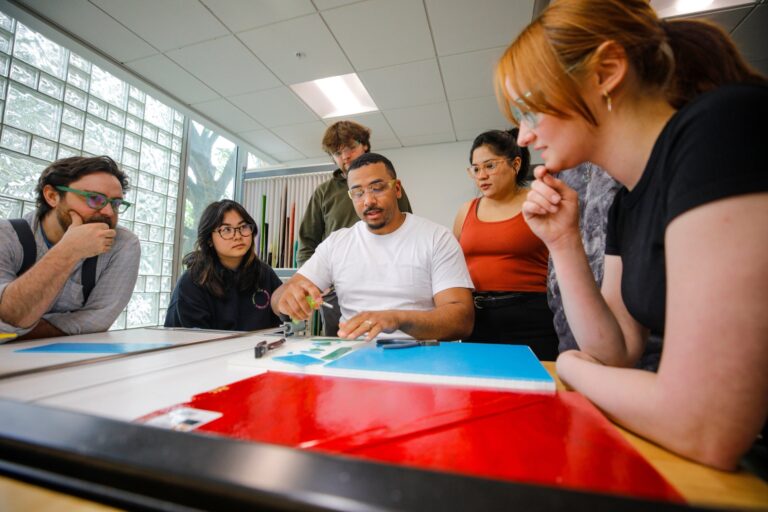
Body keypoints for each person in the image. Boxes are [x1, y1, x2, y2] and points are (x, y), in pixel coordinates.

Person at [496, 0, 767, 470]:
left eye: (529, 110)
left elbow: (706, 425)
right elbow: (618, 351)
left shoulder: (719, 128)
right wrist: (563, 243)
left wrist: (573, 368)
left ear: (606, 72)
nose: (522, 136)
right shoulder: (627, 199)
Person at [274, 153, 474, 342]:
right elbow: (280, 296)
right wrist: (287, 299)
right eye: (358, 193)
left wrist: (397, 318)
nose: (368, 201)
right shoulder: (337, 243)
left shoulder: (436, 238)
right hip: (353, 355)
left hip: (418, 354)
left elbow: (462, 320)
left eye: (377, 188)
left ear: (397, 189)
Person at [0, 156, 140, 340]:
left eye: (115, 203)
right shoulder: (7, 236)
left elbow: (97, 320)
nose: (108, 212)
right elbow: (11, 315)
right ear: (52, 196)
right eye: (94, 198)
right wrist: (70, 250)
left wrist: (12, 332)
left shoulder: (123, 245)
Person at [297, 120, 413, 335]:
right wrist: (312, 283)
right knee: (338, 343)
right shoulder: (324, 192)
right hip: (336, 288)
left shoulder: (389, 185)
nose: (345, 157)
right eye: (337, 153)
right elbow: (307, 241)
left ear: (365, 145)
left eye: (350, 148)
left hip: (386, 280)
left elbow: (405, 230)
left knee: (389, 341)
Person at [453, 128, 558, 360]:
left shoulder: (538, 202)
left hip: (532, 318)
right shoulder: (466, 211)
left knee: (534, 389)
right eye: (476, 169)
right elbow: (453, 266)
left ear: (516, 164)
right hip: (477, 318)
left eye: (490, 166)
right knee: (480, 390)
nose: (481, 175)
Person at [165, 200, 282, 331]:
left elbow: (283, 323)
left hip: (260, 350)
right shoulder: (192, 282)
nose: (238, 236)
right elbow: (194, 342)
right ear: (209, 239)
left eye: (243, 227)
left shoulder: (264, 273)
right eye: (226, 230)